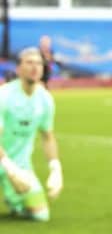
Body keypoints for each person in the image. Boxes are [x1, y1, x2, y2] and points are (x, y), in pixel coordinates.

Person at [0, 47, 63, 221]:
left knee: (40, 215)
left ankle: (14, 201)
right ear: (18, 69)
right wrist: (10, 170)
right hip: (5, 162)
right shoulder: (4, 96)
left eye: (38, 63)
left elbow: (47, 136)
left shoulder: (45, 100)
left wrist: (56, 169)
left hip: (20, 164)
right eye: (29, 63)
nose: (34, 67)